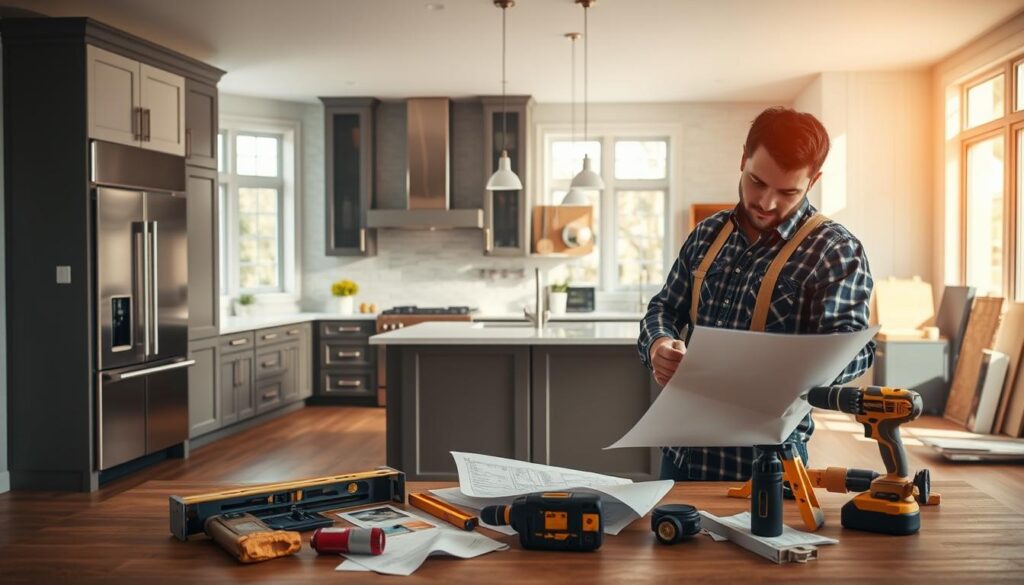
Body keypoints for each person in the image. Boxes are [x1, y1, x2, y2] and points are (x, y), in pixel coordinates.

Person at [637, 106, 874, 481]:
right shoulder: (706, 234)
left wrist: (801, 368)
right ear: (743, 158)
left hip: (767, 464)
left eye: (787, 191)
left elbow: (856, 349)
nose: (766, 203)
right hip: (682, 452)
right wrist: (659, 344)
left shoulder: (835, 251)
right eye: (757, 181)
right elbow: (664, 307)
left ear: (814, 181)